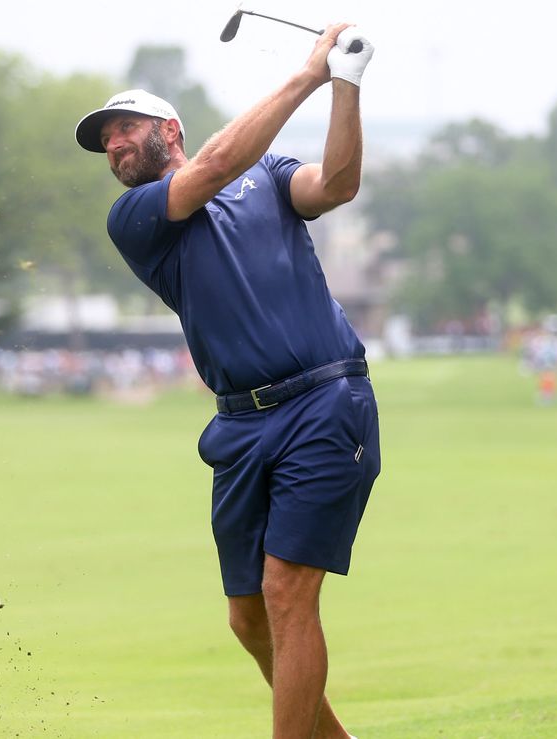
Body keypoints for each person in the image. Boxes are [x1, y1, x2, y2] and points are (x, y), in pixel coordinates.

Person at [75, 24, 377, 739]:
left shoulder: (268, 175)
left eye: (123, 131)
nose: (113, 147)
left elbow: (335, 183)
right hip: (240, 426)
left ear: (165, 129)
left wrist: (346, 83)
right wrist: (309, 73)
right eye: (105, 143)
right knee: (247, 616)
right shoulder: (136, 217)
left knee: (285, 593)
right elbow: (209, 167)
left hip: (325, 400)